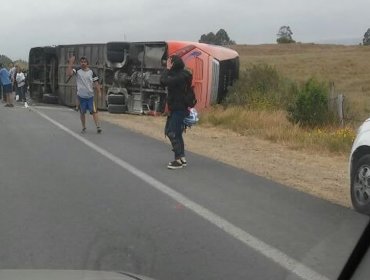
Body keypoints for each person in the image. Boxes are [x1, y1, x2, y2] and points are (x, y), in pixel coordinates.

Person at [160, 55, 191, 169]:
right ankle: (182, 157)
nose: (168, 64)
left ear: (173, 64)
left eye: (170, 62)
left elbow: (163, 81)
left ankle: (177, 160)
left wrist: (167, 69)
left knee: (171, 132)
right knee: (177, 133)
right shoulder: (184, 74)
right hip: (180, 108)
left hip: (178, 108)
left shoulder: (179, 77)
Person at [66, 56, 102, 134]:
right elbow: (69, 73)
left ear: (87, 63)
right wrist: (71, 63)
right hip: (81, 96)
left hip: (90, 96)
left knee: (94, 111)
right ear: (80, 63)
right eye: (81, 62)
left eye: (84, 62)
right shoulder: (77, 70)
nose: (83, 63)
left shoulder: (92, 72)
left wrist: (99, 92)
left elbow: (96, 83)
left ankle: (98, 127)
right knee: (82, 112)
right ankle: (84, 127)